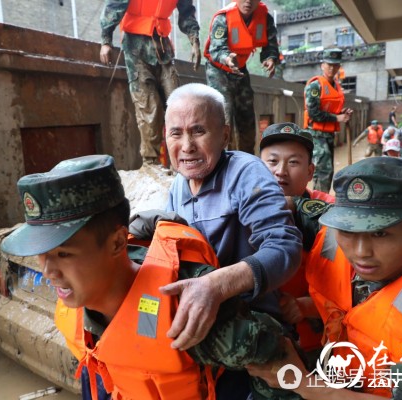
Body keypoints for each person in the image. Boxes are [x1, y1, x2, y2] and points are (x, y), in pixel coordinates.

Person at [0, 155, 290, 400]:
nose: (48, 272)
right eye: (43, 253)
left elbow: (278, 356)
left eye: (64, 254)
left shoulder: (187, 317)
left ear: (116, 243)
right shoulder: (77, 302)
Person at [247, 157, 402, 399]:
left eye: (380, 233)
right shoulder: (330, 229)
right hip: (338, 368)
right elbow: (296, 206)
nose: (361, 252)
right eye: (348, 230)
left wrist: (303, 384)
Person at [162, 83, 303, 398]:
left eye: (198, 131)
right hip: (207, 339)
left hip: (252, 339)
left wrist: (216, 286)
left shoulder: (246, 174)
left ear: (224, 135)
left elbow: (284, 247)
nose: (187, 146)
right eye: (176, 133)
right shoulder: (177, 188)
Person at [258, 122, 333, 359]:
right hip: (259, 341)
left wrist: (307, 306)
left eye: (293, 162)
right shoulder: (240, 211)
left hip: (318, 344)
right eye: (272, 161)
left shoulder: (330, 214)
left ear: (310, 172)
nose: (281, 171)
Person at [99, 0, 201, 165]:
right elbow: (113, 6)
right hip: (135, 46)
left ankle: (181, 162)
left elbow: (187, 11)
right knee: (149, 108)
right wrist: (106, 40)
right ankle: (151, 162)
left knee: (178, 105)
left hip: (162, 45)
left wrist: (194, 39)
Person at [204, 0, 280, 154]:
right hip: (218, 70)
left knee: (247, 116)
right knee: (223, 114)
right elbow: (216, 49)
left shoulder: (265, 18)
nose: (248, 2)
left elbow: (270, 46)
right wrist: (227, 58)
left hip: (240, 69)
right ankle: (220, 160)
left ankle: (247, 159)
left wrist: (270, 59)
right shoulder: (223, 18)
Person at [303, 47, 352, 193]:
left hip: (328, 135)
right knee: (323, 170)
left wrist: (342, 113)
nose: (332, 68)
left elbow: (330, 107)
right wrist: (337, 118)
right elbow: (313, 113)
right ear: (322, 65)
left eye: (335, 65)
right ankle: (318, 204)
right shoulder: (315, 86)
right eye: (329, 64)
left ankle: (322, 199)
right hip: (316, 134)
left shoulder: (336, 85)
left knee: (327, 171)